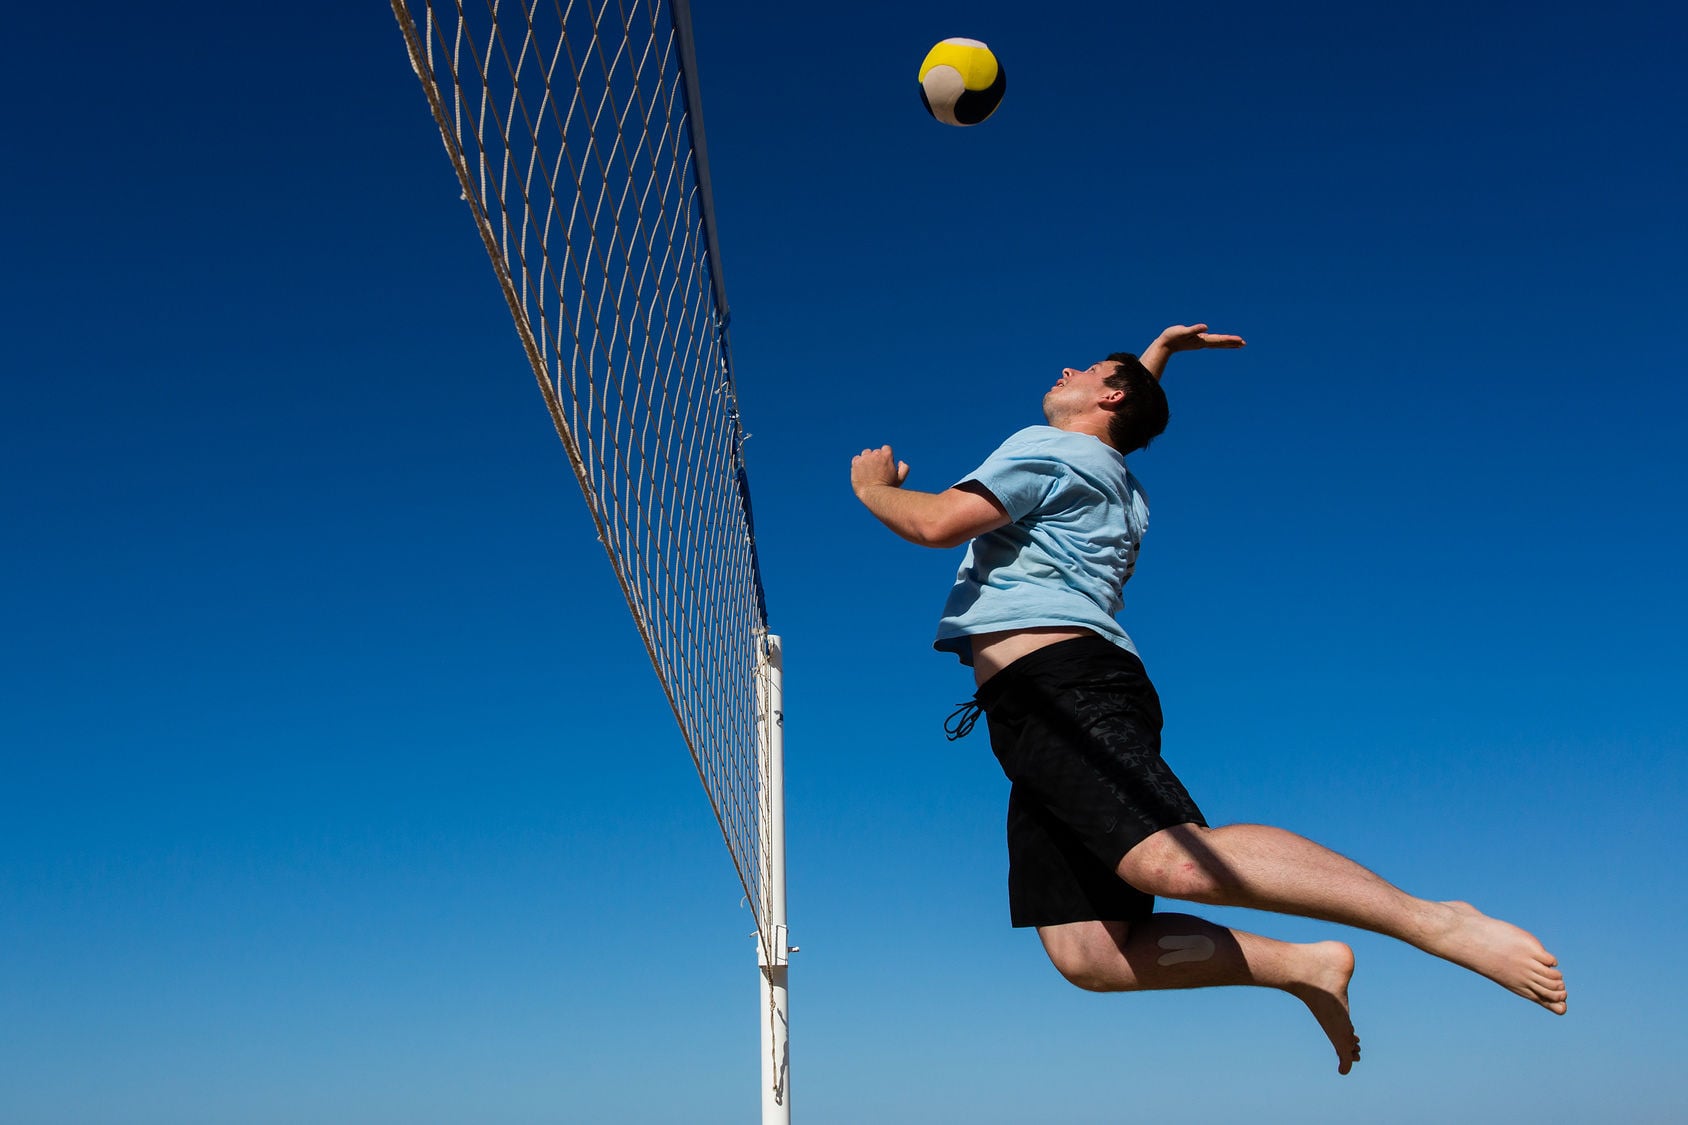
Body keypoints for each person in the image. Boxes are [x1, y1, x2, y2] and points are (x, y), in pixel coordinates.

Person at [848, 324, 1566, 1075]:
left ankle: (1435, 921)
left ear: (1111, 396)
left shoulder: (1050, 447)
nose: (1067, 366)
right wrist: (1154, 356)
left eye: (1087, 367)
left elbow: (935, 522)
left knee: (1171, 861)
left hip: (1063, 684)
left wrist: (875, 488)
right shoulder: (1110, 474)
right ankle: (1305, 965)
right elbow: (1127, 405)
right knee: (1089, 951)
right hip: (1031, 710)